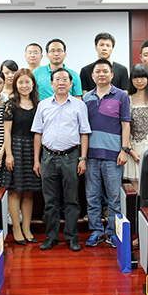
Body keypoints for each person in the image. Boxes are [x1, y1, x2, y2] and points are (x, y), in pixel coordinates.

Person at [32, 68, 91, 252]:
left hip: (71, 157)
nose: (61, 83)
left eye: (65, 79)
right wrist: (36, 160)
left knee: (72, 200)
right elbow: (37, 134)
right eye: (57, 79)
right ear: (51, 84)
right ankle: (51, 237)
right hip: (48, 157)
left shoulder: (79, 105)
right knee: (50, 201)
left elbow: (84, 133)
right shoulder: (43, 105)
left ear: (71, 83)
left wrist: (83, 158)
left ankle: (72, 237)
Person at [83, 59, 131, 248]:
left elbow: (125, 124)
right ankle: (96, 231)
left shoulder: (121, 96)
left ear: (111, 75)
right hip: (91, 156)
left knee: (114, 198)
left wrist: (124, 150)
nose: (101, 74)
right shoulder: (86, 99)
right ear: (92, 75)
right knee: (92, 196)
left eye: (105, 71)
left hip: (113, 156)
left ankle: (112, 232)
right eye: (98, 71)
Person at [2, 68, 41, 245]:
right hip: (16, 148)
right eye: (20, 82)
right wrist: (9, 154)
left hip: (33, 149)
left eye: (27, 82)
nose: (24, 85)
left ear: (33, 84)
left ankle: (27, 228)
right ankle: (16, 229)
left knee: (29, 192)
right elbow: (7, 132)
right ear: (15, 84)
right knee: (15, 191)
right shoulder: (11, 104)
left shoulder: (39, 105)